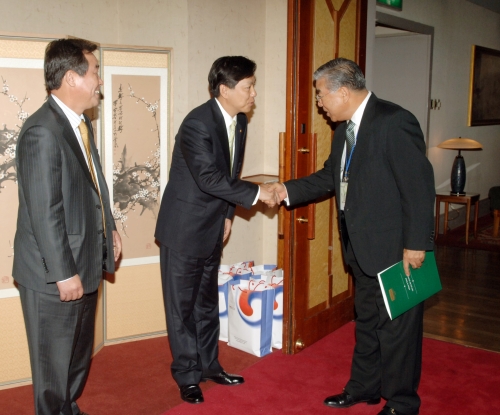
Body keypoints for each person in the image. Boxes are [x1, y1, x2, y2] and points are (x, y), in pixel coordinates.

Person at [269, 58, 435, 415]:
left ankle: (402, 403)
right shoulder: (345, 130)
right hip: (360, 247)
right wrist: (285, 189)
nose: (319, 103)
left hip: (395, 249)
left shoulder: (394, 121)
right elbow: (331, 177)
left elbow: (419, 188)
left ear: (342, 92)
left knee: (398, 333)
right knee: (368, 323)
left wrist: (417, 245)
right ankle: (364, 387)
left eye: (320, 95)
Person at [154, 56, 278, 404]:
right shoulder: (197, 124)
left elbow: (230, 175)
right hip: (183, 229)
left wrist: (227, 216)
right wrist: (258, 193)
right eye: (248, 86)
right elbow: (208, 178)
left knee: (207, 304)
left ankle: (210, 365)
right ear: (225, 90)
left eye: (253, 84)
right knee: (182, 308)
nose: (254, 93)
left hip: (212, 226)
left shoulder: (239, 121)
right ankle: (187, 375)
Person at [13, 38, 122, 415]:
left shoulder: (78, 123)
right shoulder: (42, 131)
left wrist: (111, 230)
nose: (99, 82)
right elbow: (46, 211)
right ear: (71, 78)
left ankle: (67, 408)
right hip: (53, 275)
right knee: (52, 366)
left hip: (84, 261)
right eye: (94, 72)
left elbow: (95, 186)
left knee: (76, 357)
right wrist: (63, 273)